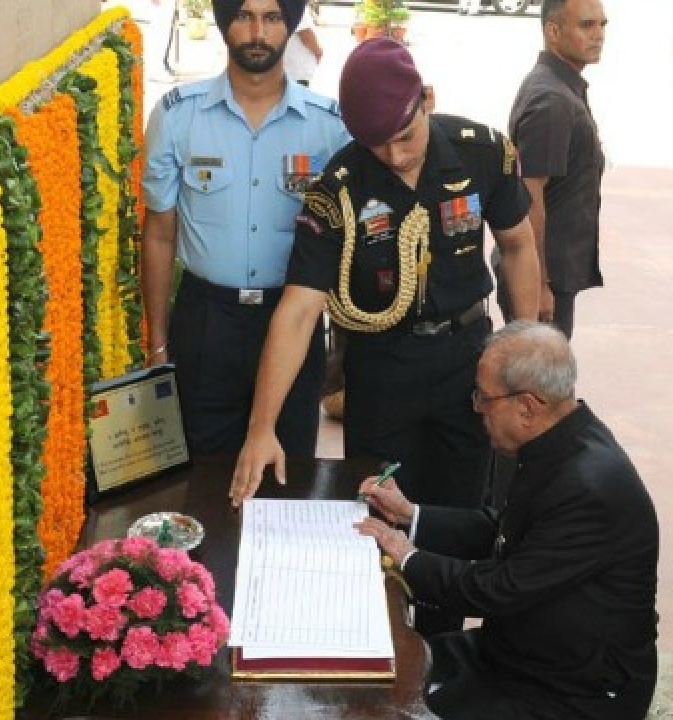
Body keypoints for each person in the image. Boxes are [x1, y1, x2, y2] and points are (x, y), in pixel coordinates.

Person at [228, 38, 541, 515]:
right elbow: (299, 310)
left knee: (467, 509)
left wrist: (527, 344)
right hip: (382, 370)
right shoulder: (338, 190)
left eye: (405, 136)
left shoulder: (482, 153)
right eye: (377, 145)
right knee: (378, 511)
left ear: (427, 100)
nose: (394, 156)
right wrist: (261, 428)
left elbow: (517, 245)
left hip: (470, 362)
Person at [355, 321, 659, 720]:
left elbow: (498, 590)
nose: (477, 408)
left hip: (575, 690)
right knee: (373, 674)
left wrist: (406, 556)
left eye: (484, 398)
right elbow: (503, 529)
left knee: (388, 709)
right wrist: (411, 515)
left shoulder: (588, 488)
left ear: (527, 407)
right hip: (520, 654)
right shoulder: (563, 440)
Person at [141, 0, 350, 456]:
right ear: (224, 23)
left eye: (273, 18)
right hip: (206, 322)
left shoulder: (329, 127)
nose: (258, 31)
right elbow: (158, 233)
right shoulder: (178, 116)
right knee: (197, 474)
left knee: (285, 470)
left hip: (291, 318)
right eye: (244, 15)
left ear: (290, 27)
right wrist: (157, 345)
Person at [497, 0, 607, 340]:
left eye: (603, 25)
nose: (599, 35)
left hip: (554, 272)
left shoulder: (562, 88)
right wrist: (538, 284)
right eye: (587, 26)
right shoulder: (553, 101)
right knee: (539, 384)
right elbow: (530, 196)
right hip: (545, 275)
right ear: (553, 32)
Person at [283, 5, 323, 86]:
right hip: (296, 72)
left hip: (293, 71)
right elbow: (305, 34)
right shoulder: (295, 6)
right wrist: (318, 51)